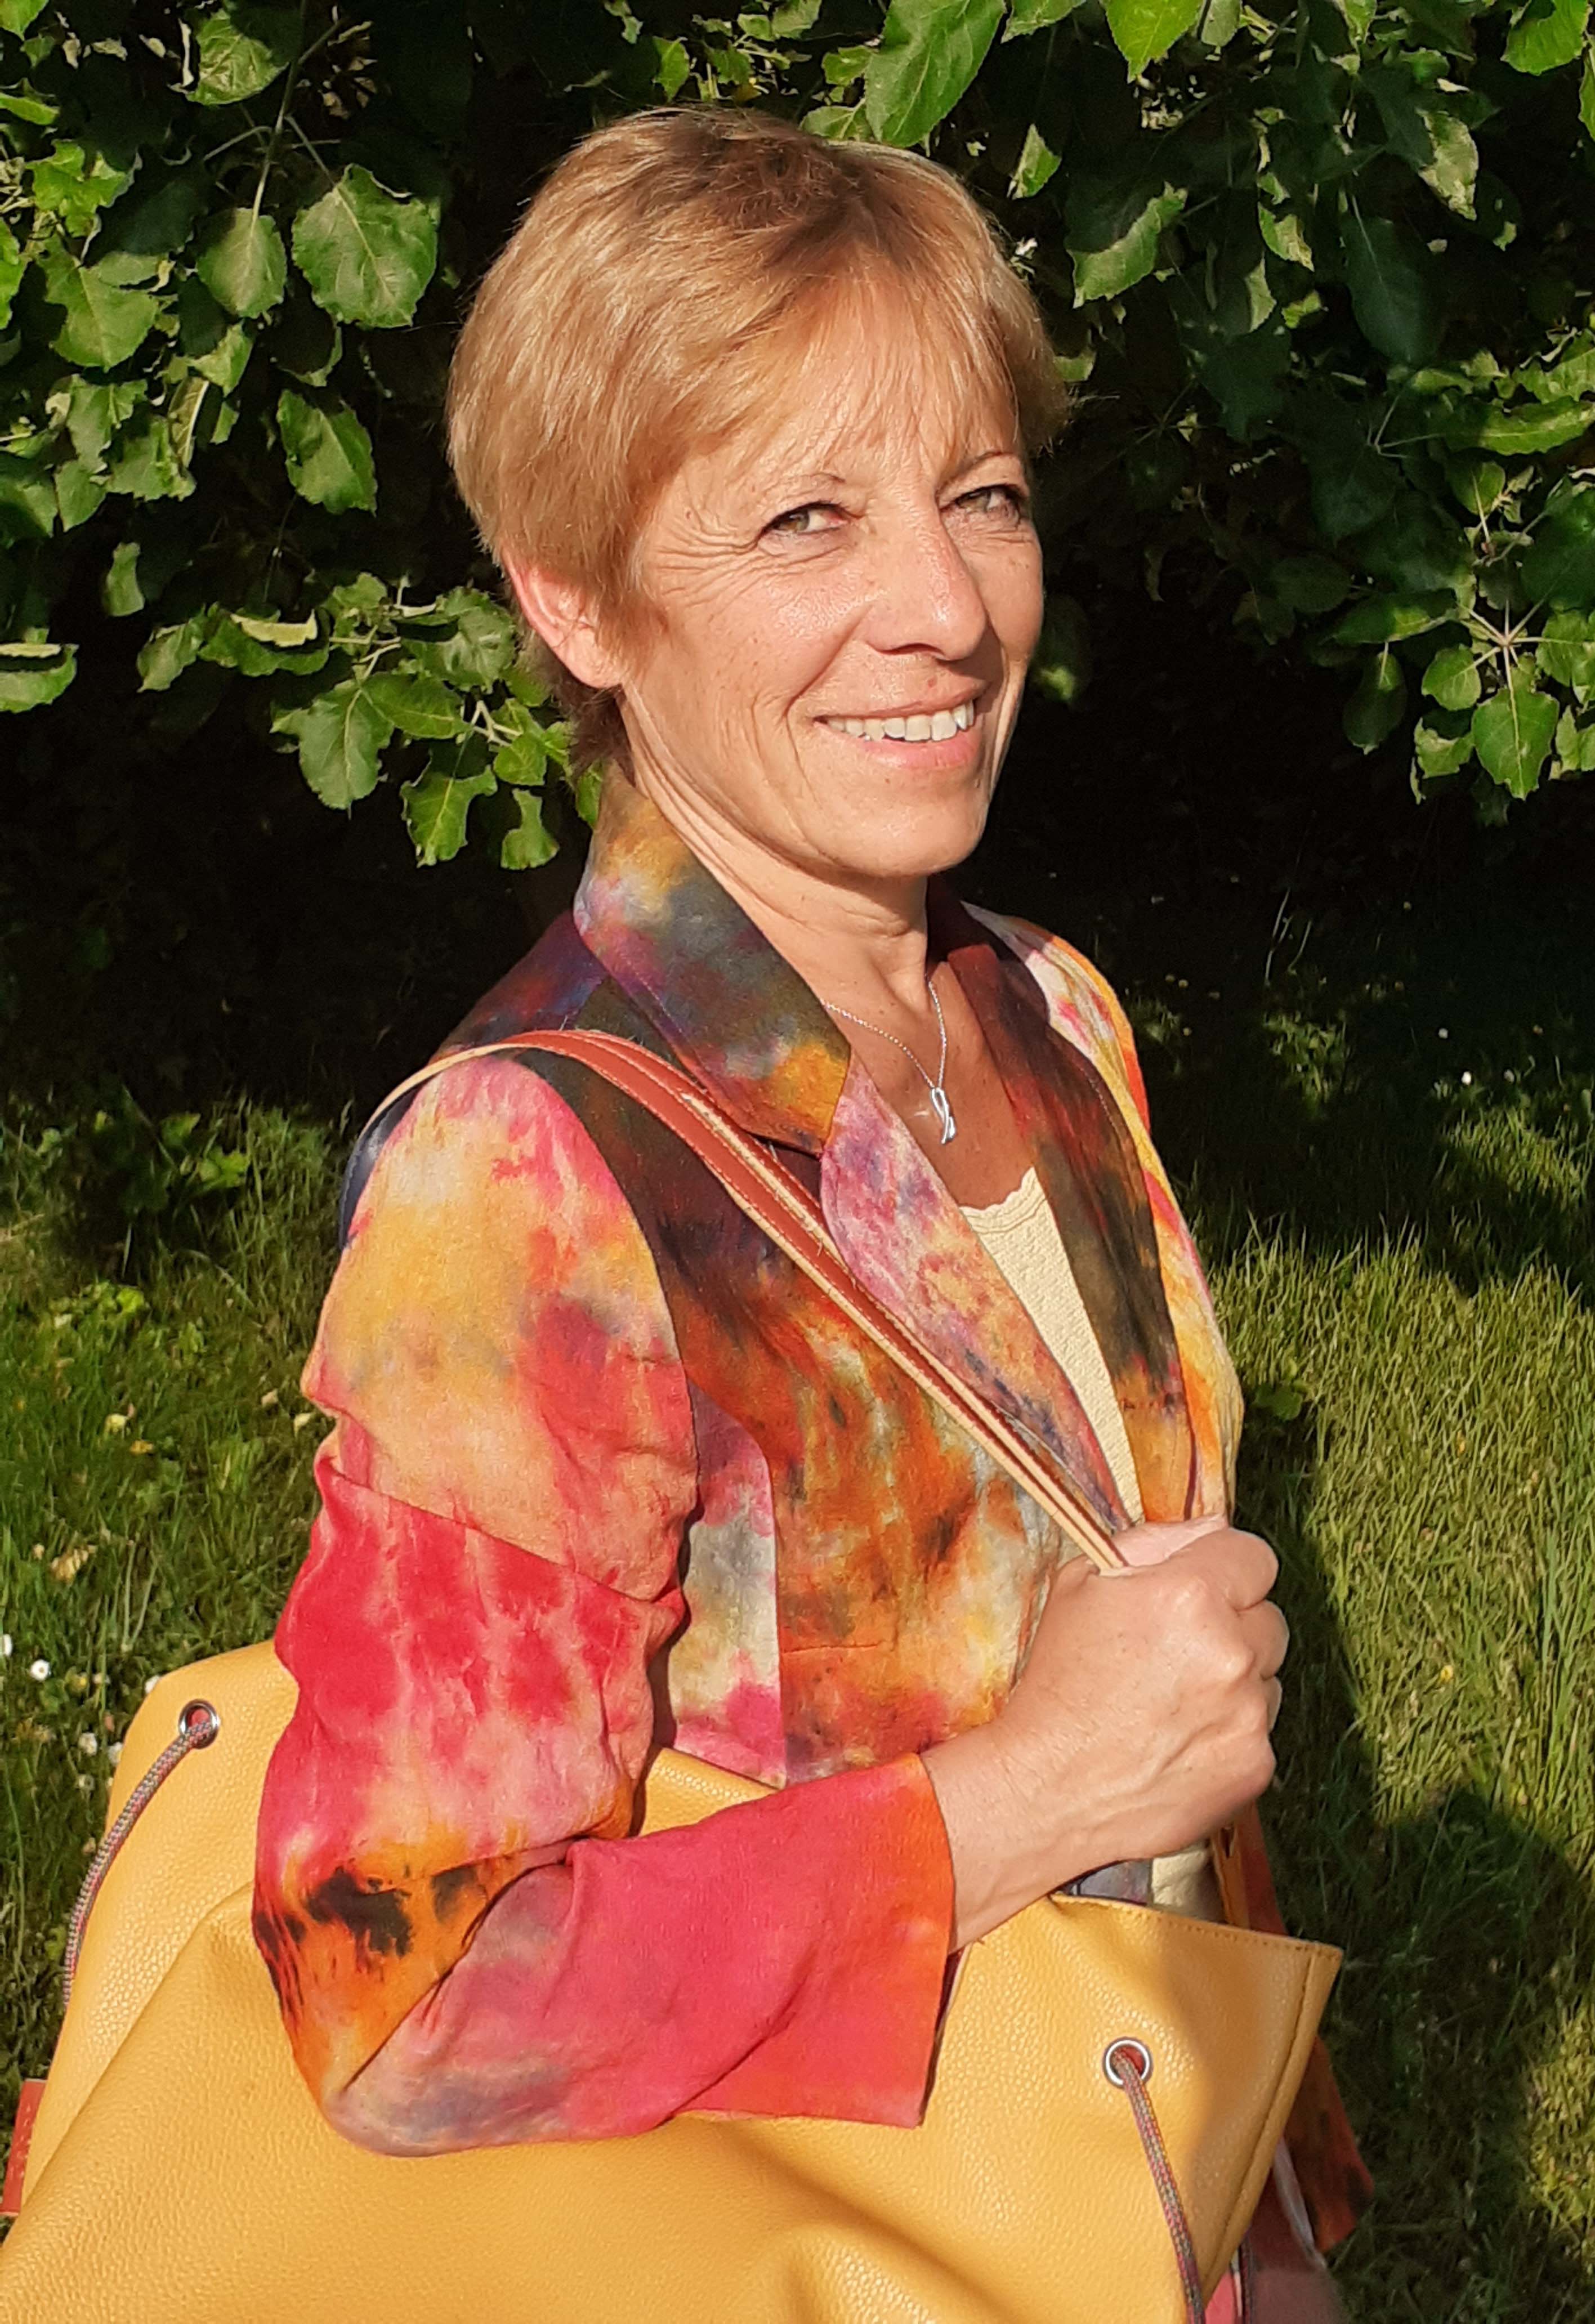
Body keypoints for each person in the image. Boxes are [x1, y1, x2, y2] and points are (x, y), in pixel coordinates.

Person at [251, 108, 1364, 2314]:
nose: (945, 611)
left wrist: (1275, 2215)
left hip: (1138, 2198)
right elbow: (405, 2006)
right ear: (577, 598)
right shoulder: (532, 1179)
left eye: (983, 497)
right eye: (807, 518)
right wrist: (1018, 1800)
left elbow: (1171, 1762)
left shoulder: (1049, 1014)